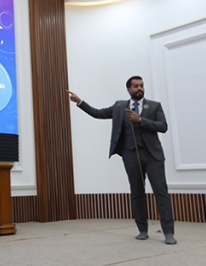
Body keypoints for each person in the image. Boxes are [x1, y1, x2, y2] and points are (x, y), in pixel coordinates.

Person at [67, 76, 176, 245]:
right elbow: (98, 113)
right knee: (137, 192)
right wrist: (80, 102)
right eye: (136, 86)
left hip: (152, 156)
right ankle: (142, 230)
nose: (140, 88)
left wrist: (140, 120)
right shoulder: (119, 107)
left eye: (141, 86)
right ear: (128, 89)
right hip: (130, 155)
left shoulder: (154, 106)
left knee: (160, 192)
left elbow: (163, 126)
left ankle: (168, 232)